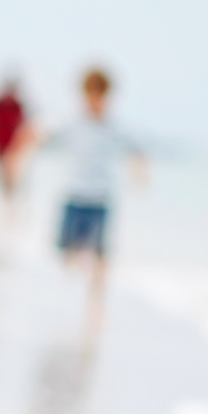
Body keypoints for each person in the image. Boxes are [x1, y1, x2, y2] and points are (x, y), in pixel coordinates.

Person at [58, 67, 146, 297]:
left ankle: (96, 299)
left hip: (101, 198)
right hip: (74, 195)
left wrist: (139, 175)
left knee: (101, 254)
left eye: (101, 96)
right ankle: (69, 291)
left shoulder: (114, 127)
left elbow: (136, 151)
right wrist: (16, 156)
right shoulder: (72, 123)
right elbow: (36, 134)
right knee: (66, 252)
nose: (96, 101)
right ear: (83, 95)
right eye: (91, 95)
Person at [0, 79, 29, 196]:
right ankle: (2, 200)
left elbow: (23, 126)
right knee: (0, 176)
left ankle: (10, 200)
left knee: (12, 176)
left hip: (14, 146)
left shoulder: (18, 106)